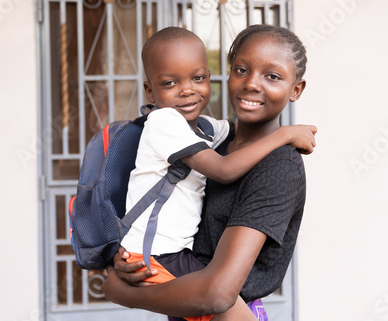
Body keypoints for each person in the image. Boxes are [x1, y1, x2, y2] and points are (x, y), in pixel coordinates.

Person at [102, 25, 313, 321]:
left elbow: (218, 293)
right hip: (183, 292)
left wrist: (123, 294)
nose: (252, 83)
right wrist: (127, 253)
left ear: (296, 89)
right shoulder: (214, 142)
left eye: (272, 76)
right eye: (241, 70)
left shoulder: (278, 167)